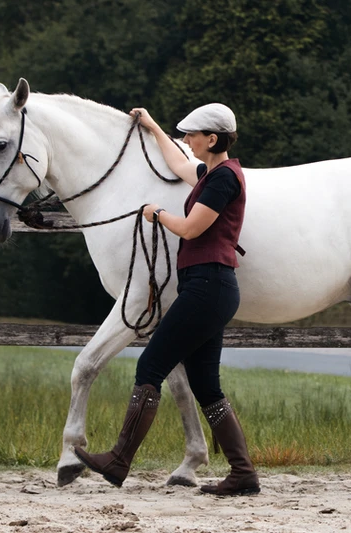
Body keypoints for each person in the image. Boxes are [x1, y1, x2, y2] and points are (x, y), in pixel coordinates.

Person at [73, 103, 259, 496]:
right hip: (210, 286)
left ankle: (119, 459)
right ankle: (243, 474)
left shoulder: (224, 180)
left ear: (212, 139)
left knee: (151, 364)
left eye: (193, 135)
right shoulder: (213, 174)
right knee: (207, 385)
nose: (187, 141)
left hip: (208, 286)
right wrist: (154, 127)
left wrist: (157, 214)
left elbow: (191, 229)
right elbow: (177, 164)